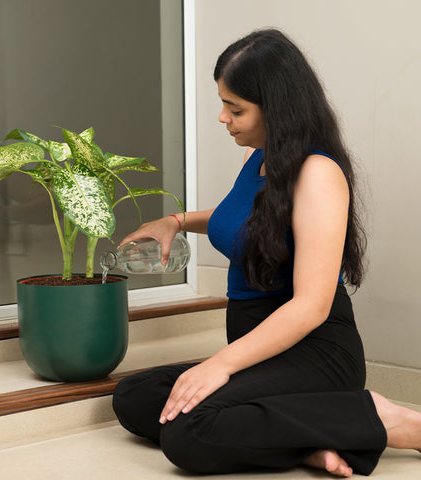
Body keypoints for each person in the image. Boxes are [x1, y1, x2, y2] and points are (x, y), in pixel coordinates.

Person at [112, 28, 421, 477]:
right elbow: (240, 219)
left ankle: (392, 421)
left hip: (315, 355)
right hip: (261, 350)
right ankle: (309, 442)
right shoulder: (257, 158)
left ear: (277, 108)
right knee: (136, 398)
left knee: (189, 432)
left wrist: (218, 366)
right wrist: (175, 221)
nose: (222, 117)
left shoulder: (318, 174)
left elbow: (311, 307)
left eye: (235, 108)